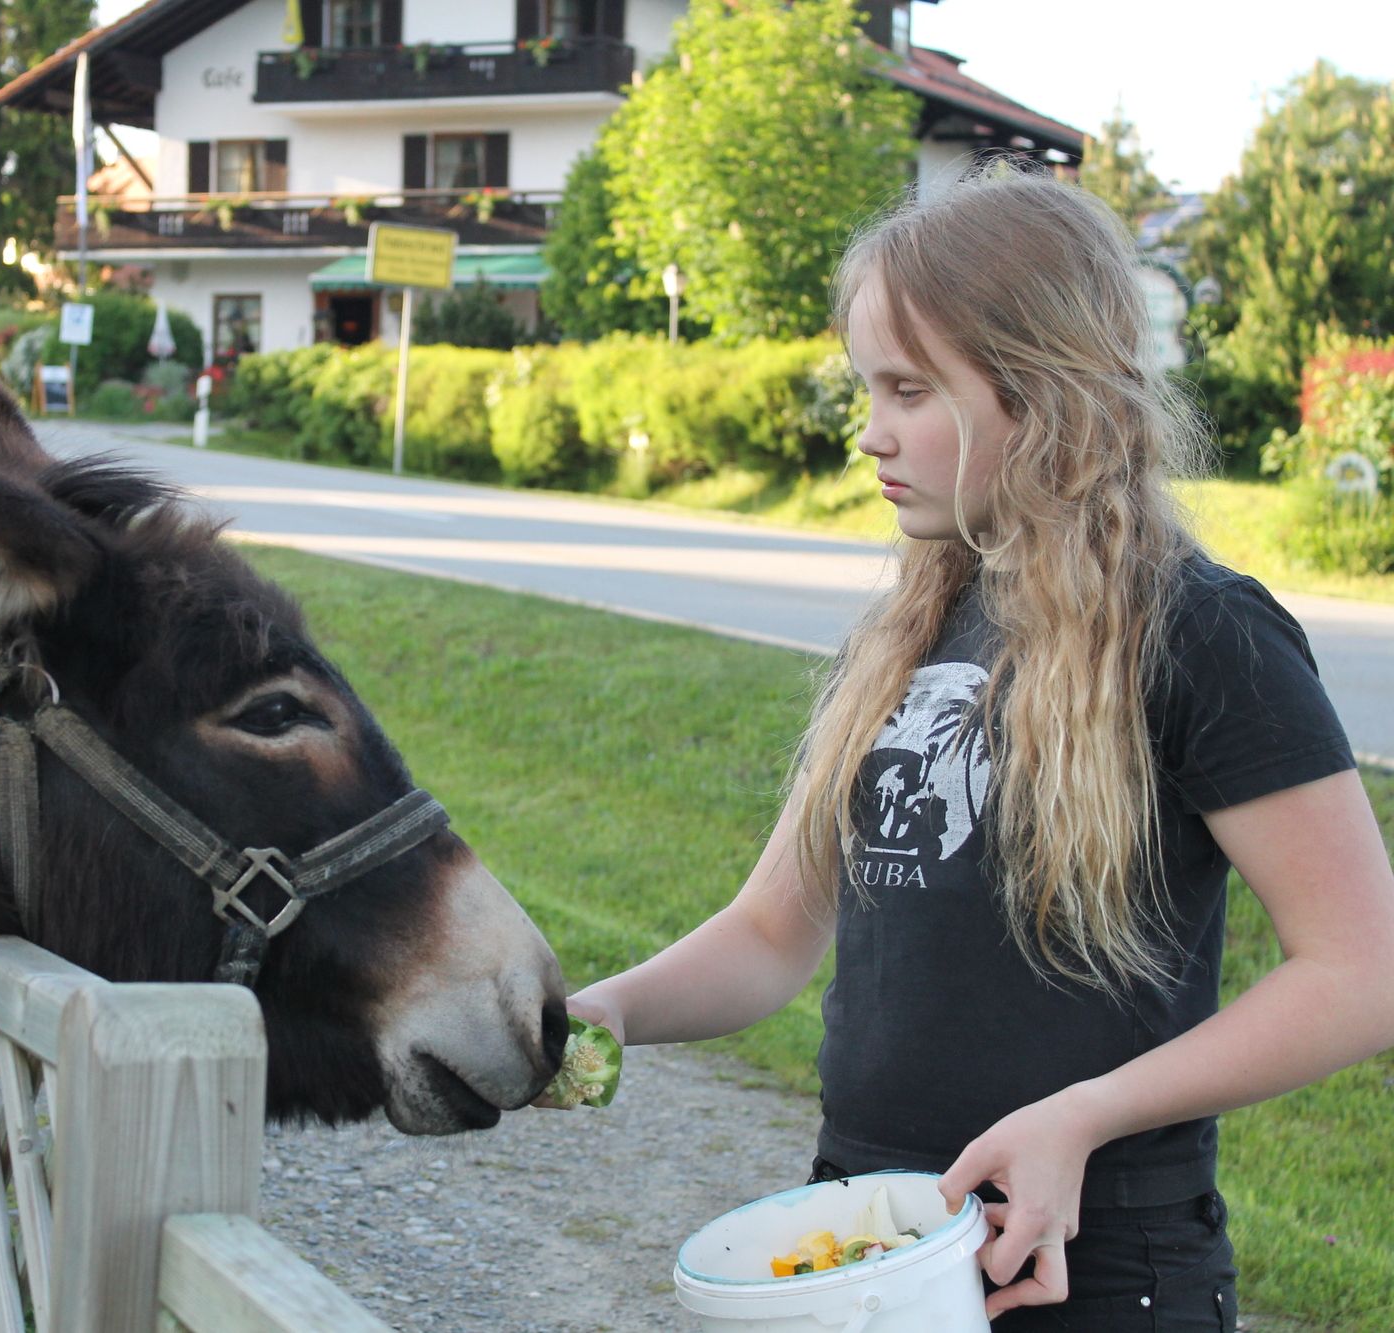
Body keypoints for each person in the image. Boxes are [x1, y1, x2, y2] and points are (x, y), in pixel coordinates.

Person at [560, 169, 1394, 1329]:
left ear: (1042, 391)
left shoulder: (1201, 633)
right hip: (866, 1240)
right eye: (867, 387)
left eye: (908, 390)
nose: (869, 432)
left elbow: (1359, 974)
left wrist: (1081, 1115)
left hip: (1093, 1264)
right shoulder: (901, 630)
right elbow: (768, 934)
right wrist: (602, 1010)